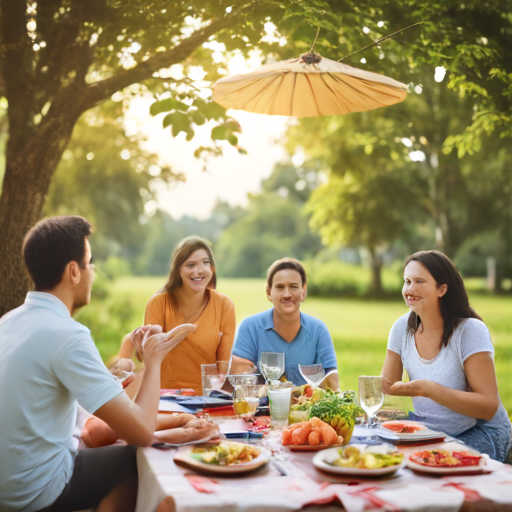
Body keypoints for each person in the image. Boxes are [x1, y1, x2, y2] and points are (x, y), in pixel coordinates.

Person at [0, 216, 201, 512]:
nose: (93, 271)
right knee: (135, 458)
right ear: (74, 272)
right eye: (89, 263)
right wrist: (155, 360)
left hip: (8, 485)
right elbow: (141, 432)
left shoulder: (9, 320)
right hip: (34, 492)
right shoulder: (66, 335)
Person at [381, 250, 511, 462]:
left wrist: (428, 389)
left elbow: (488, 406)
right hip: (427, 427)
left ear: (442, 289)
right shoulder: (401, 329)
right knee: (370, 446)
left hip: (479, 430)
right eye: (407, 281)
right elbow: (388, 385)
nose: (409, 289)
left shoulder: (469, 331)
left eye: (419, 281)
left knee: (433, 463)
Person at [120, 236, 236, 394]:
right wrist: (154, 335)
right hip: (164, 398)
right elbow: (151, 356)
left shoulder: (224, 304)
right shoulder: (159, 303)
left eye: (205, 262)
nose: (200, 270)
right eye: (191, 264)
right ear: (178, 269)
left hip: (205, 399)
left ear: (212, 267)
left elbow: (223, 368)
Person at [230, 258, 339, 389]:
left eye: (293, 287)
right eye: (280, 287)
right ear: (268, 292)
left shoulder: (318, 330)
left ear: (303, 292)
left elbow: (332, 385)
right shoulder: (249, 328)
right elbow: (241, 383)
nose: (287, 294)